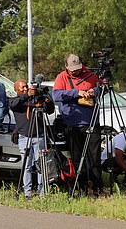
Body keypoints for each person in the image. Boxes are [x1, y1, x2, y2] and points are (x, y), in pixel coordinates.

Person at [52, 53, 103, 196]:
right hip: (71, 123)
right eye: (73, 69)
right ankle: (80, 187)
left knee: (94, 156)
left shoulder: (90, 74)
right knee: (77, 156)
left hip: (91, 121)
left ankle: (97, 187)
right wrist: (77, 93)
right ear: (66, 66)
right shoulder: (61, 77)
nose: (76, 71)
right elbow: (56, 96)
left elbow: (103, 89)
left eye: (78, 68)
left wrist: (94, 91)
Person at [9, 79, 55, 198]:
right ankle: (27, 192)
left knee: (41, 165)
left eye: (26, 87)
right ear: (16, 90)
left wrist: (46, 98)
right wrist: (26, 95)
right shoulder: (17, 101)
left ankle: (42, 192)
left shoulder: (36, 99)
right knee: (27, 166)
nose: (25, 89)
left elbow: (50, 110)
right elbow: (14, 105)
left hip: (39, 136)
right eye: (22, 88)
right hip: (25, 137)